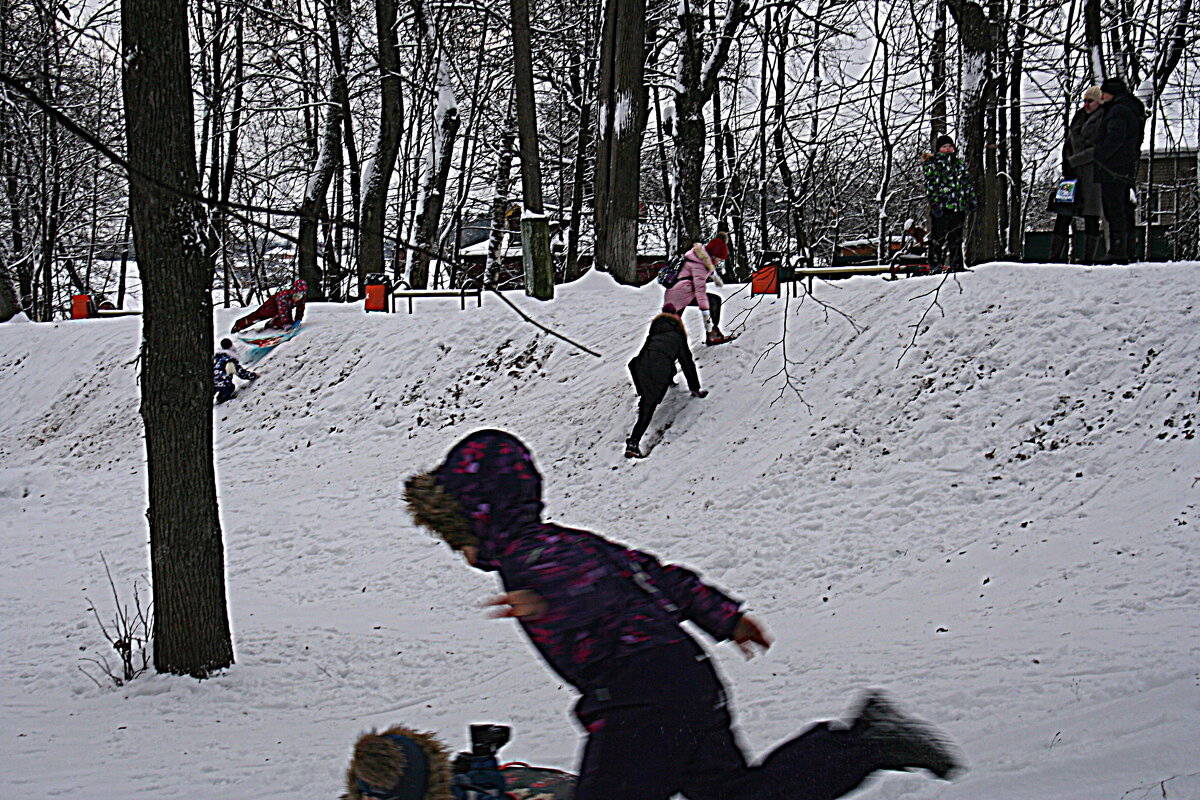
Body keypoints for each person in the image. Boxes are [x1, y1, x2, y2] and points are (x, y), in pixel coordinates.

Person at [404, 429, 963, 800]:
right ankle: (862, 742)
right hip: (686, 678)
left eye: (459, 536)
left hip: (640, 697)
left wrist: (544, 601)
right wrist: (724, 616)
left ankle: (863, 742)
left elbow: (590, 588)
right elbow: (654, 573)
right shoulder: (565, 541)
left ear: (481, 518)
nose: (463, 552)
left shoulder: (534, 560)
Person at [624, 305, 706, 459]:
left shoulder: (654, 334)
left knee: (648, 393)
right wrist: (695, 388)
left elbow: (655, 356)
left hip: (638, 367)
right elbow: (686, 363)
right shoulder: (678, 337)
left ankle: (646, 393)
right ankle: (633, 443)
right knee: (648, 407)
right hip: (658, 369)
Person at [1050, 86, 1105, 263]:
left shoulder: (1103, 119)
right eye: (1085, 100)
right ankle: (1054, 257)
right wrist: (1066, 162)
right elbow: (1069, 141)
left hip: (1092, 174)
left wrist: (1075, 160)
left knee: (1091, 216)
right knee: (1063, 212)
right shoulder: (1079, 117)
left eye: (1091, 101)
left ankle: (1089, 258)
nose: (1086, 104)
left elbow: (1098, 149)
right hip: (1073, 174)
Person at [1094, 77, 1146, 264]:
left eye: (1104, 93)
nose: (1102, 97)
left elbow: (1115, 138)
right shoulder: (1131, 109)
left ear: (1111, 93)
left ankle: (1118, 251)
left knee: (1114, 210)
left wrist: (1100, 156)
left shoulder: (1118, 111)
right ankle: (1128, 249)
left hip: (1112, 169)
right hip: (1125, 166)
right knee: (1124, 209)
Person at [664, 233, 733, 346]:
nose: (719, 261)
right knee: (714, 301)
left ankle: (663, 343)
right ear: (715, 255)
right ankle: (712, 335)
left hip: (674, 292)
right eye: (720, 258)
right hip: (681, 293)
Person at [921, 135, 977, 273]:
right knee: (937, 238)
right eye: (944, 147)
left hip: (958, 206)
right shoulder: (932, 164)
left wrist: (971, 199)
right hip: (941, 207)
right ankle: (935, 266)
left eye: (949, 146)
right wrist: (934, 203)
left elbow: (966, 183)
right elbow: (931, 185)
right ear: (939, 149)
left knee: (956, 238)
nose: (947, 149)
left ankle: (957, 265)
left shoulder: (959, 164)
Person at [230, 278, 307, 333]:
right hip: (271, 305)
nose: (297, 298)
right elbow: (282, 311)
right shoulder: (284, 296)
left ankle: (272, 323)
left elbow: (300, 309)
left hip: (285, 308)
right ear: (292, 292)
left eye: (299, 296)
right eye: (296, 295)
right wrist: (286, 323)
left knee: (289, 321)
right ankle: (239, 325)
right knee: (258, 316)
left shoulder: (301, 299)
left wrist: (298, 319)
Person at [213, 338, 258, 403]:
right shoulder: (230, 360)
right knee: (230, 387)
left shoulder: (216, 358)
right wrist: (254, 375)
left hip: (211, 383)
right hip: (223, 383)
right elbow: (242, 374)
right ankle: (223, 398)